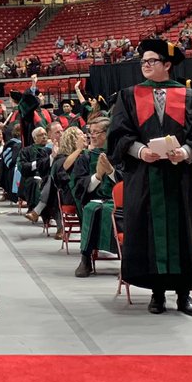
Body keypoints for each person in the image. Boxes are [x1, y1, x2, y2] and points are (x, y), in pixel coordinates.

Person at [108, 40, 192, 316]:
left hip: (180, 178)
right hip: (144, 177)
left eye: (152, 61)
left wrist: (185, 152)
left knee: (183, 230)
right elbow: (118, 135)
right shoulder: (128, 96)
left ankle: (185, 294)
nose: (146, 66)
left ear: (167, 64)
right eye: (143, 62)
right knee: (147, 232)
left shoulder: (191, 97)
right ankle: (157, 293)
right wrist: (139, 150)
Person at [72, 115, 119, 277]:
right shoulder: (85, 157)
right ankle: (85, 259)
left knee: (110, 210)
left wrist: (111, 172)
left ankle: (127, 261)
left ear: (107, 134)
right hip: (93, 200)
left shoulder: (119, 155)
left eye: (96, 132)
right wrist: (97, 176)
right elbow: (77, 186)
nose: (91, 135)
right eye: (90, 132)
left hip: (117, 202)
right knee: (93, 208)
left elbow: (129, 182)